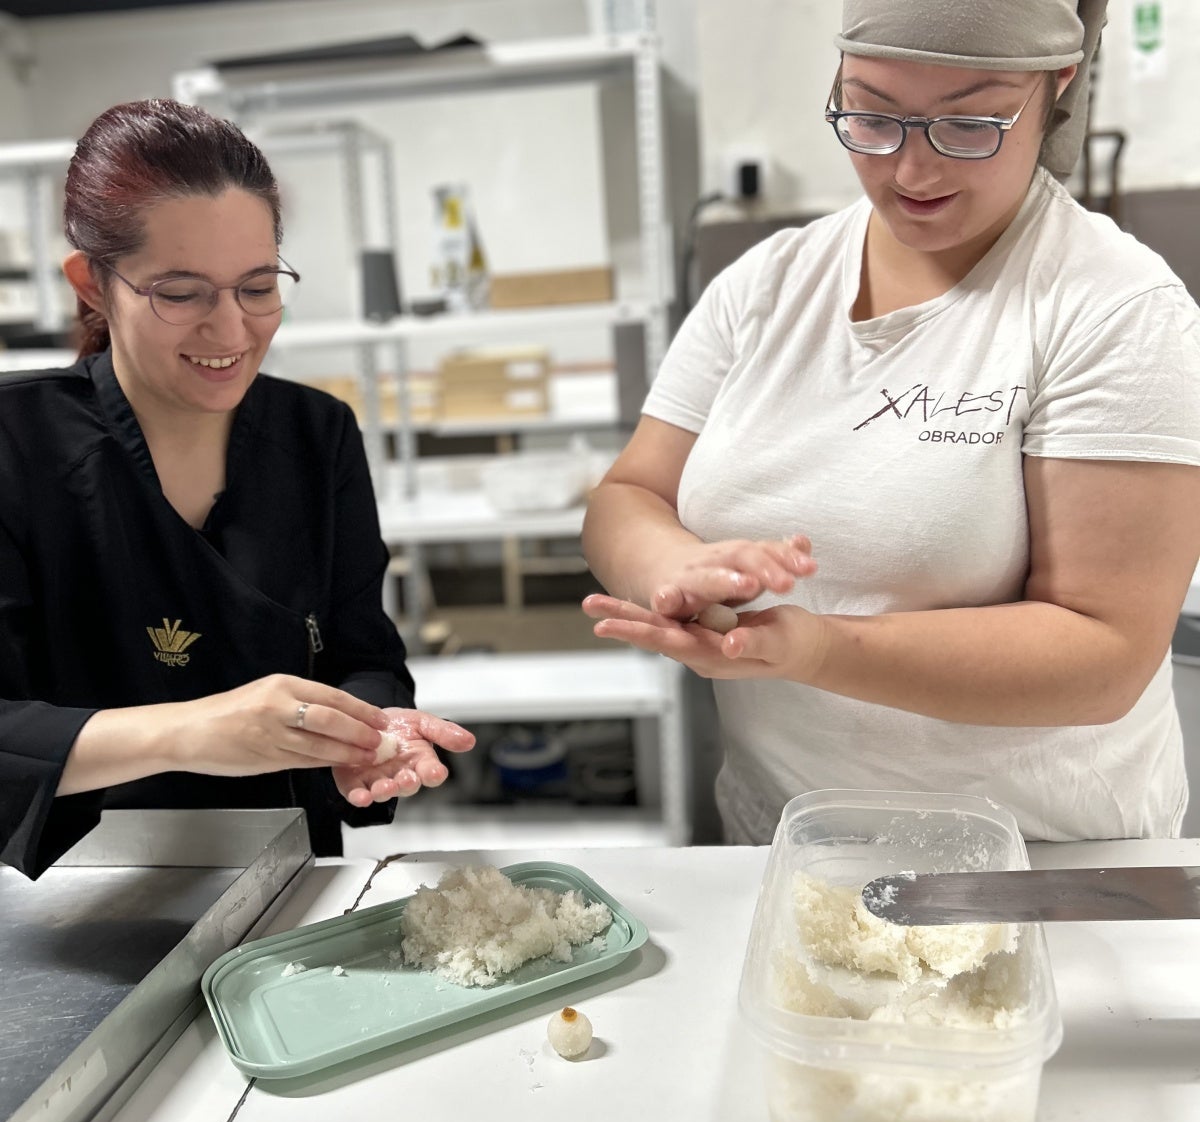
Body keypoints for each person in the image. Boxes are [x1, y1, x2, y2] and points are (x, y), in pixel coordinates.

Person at [581, 0, 1200, 845]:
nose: (910, 171)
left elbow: (1103, 656)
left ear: (1057, 86)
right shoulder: (767, 285)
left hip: (1043, 864)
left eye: (969, 123)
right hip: (792, 846)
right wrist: (675, 567)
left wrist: (819, 651)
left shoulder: (1115, 309)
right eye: (871, 115)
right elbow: (630, 492)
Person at [0, 99, 475, 879]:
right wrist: (195, 730)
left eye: (257, 287)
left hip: (288, 882)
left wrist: (369, 731)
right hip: (69, 899)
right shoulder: (18, 445)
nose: (230, 333)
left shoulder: (316, 436)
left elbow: (363, 652)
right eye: (181, 294)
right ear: (91, 283)